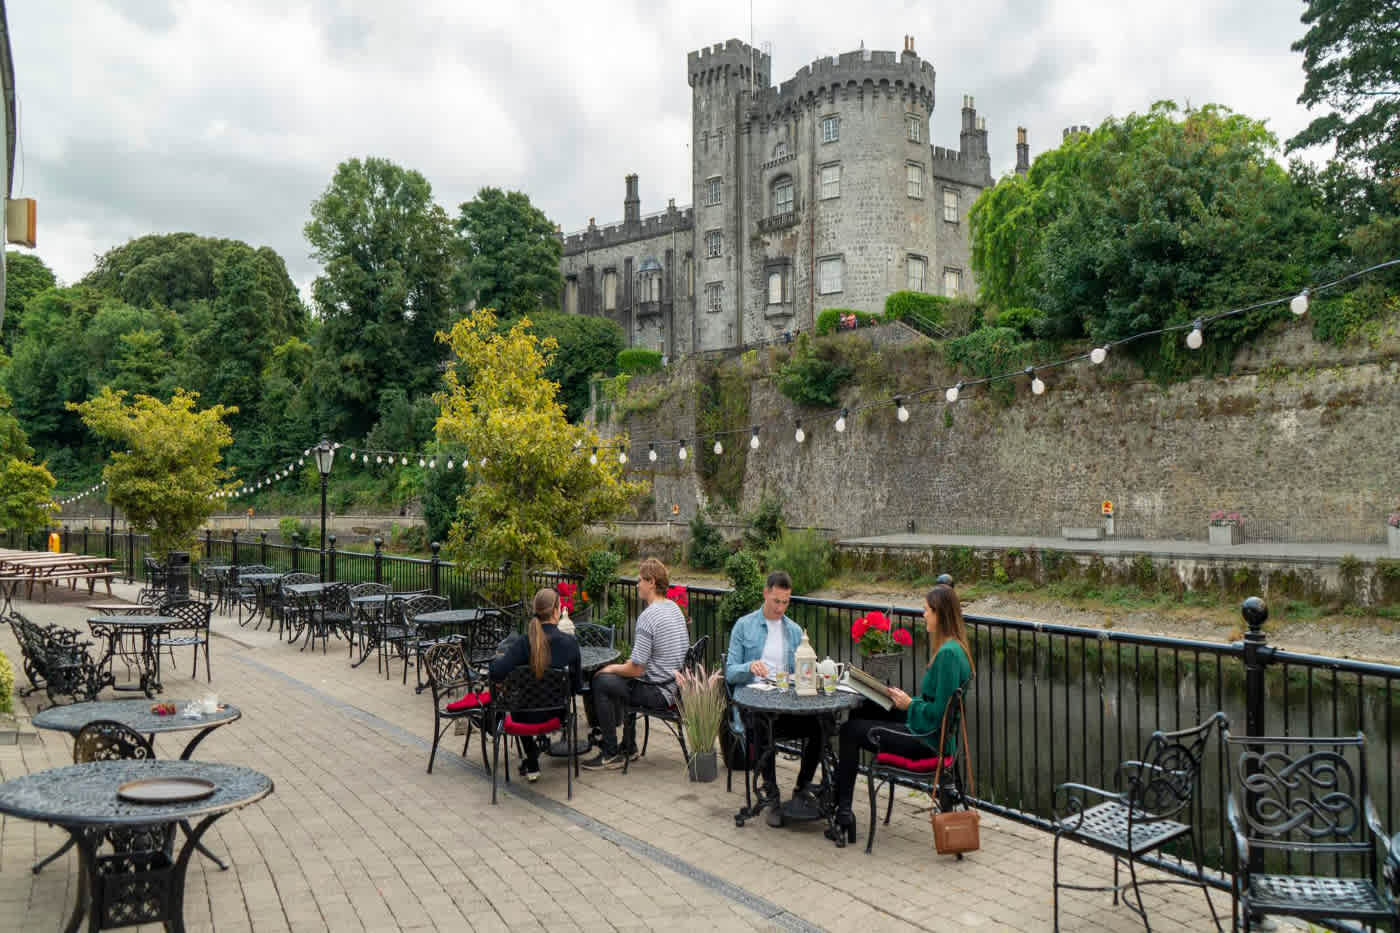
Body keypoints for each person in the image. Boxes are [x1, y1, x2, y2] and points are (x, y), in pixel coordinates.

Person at [830, 583, 973, 843]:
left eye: (927, 610)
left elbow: (938, 713)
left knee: (850, 732)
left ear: (940, 614)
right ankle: (836, 800)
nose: (923, 615)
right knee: (866, 709)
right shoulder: (955, 649)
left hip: (928, 741)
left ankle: (842, 814)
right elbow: (936, 702)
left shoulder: (949, 655)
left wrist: (910, 704)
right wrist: (902, 700)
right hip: (929, 733)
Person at [725, 571, 825, 826]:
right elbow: (729, 672)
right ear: (765, 593)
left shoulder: (792, 631)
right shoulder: (744, 625)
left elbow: (800, 673)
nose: (781, 608)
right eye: (776, 601)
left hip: (784, 702)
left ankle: (802, 788)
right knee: (761, 724)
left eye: (786, 602)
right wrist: (750, 667)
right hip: (753, 704)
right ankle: (771, 792)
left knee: (820, 725)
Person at [582, 557, 689, 770]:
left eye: (640, 580)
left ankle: (611, 753)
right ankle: (628, 747)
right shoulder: (674, 608)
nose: (637, 584)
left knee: (602, 681)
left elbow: (637, 669)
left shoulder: (648, 617)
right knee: (620, 681)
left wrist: (610, 668)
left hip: (658, 692)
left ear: (651, 582)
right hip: (674, 687)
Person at [488, 587, 583, 782]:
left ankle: (531, 760)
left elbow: (496, 672)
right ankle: (533, 756)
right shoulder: (570, 643)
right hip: (557, 714)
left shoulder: (524, 643)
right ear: (557, 611)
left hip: (524, 716)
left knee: (515, 701)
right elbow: (577, 687)